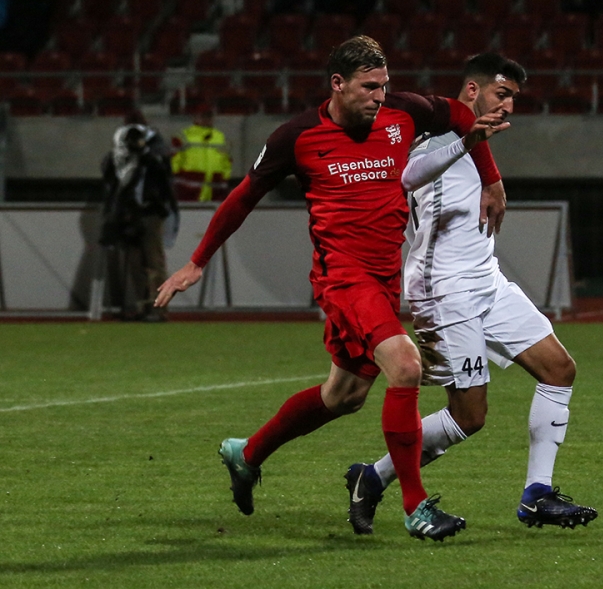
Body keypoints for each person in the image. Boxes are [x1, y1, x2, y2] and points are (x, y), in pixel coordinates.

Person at [153, 36, 509, 542]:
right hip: (343, 278)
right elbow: (243, 196)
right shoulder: (297, 137)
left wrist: (491, 180)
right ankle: (416, 507)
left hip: (383, 278)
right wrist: (196, 261)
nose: (379, 97)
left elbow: (464, 119)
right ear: (338, 84)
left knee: (343, 396)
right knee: (406, 366)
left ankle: (247, 453)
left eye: (383, 86)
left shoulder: (404, 112)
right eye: (368, 87)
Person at [344, 52, 598, 536]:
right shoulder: (433, 137)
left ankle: (537, 495)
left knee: (559, 369)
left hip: (487, 281)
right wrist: (469, 146)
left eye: (514, 98)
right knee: (469, 416)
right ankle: (372, 478)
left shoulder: (476, 143)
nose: (509, 106)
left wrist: (486, 168)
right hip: (445, 290)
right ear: (473, 90)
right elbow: (407, 175)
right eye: (502, 94)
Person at [100, 124, 178, 322]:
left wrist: (156, 206)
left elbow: (163, 187)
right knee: (135, 263)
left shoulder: (151, 161)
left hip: (150, 213)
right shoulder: (120, 162)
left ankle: (159, 309)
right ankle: (144, 307)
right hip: (131, 215)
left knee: (154, 261)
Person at [170, 104, 232, 202]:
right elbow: (174, 163)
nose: (206, 119)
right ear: (195, 116)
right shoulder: (183, 136)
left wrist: (224, 179)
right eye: (203, 115)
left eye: (209, 116)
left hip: (215, 192)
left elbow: (227, 163)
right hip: (188, 191)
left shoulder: (221, 137)